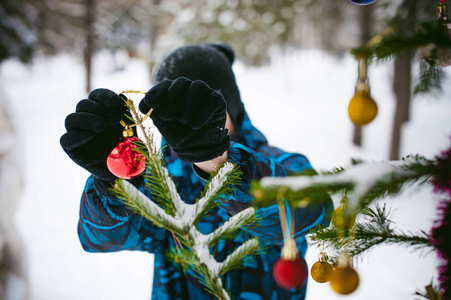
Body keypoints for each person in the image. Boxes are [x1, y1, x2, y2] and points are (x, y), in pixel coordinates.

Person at [60, 42, 333, 300]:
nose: (197, 120)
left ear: (232, 107)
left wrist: (219, 163)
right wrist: (115, 182)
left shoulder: (280, 163)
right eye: (181, 112)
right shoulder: (162, 177)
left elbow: (312, 211)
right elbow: (99, 239)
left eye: (207, 107)